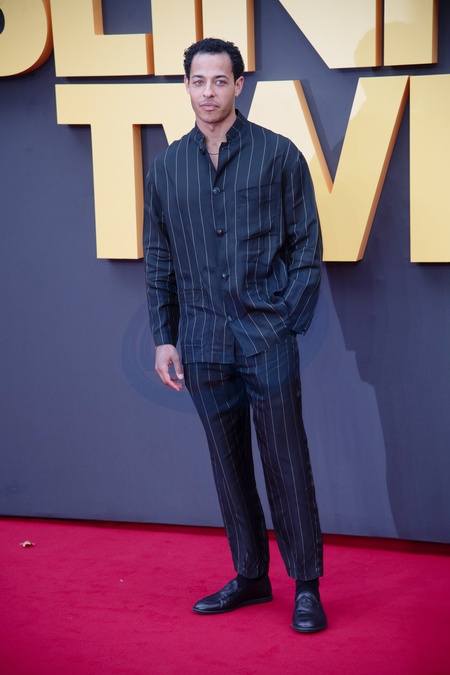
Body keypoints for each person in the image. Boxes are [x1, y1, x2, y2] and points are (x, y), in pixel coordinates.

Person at [143, 37, 327, 633]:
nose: (208, 93)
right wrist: (165, 337)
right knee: (228, 465)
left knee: (286, 461)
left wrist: (286, 318)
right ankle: (250, 576)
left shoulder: (278, 155)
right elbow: (159, 258)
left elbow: (307, 246)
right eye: (198, 81)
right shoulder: (167, 167)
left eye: (219, 81)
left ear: (239, 85)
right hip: (201, 343)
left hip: (265, 336)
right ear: (187, 85)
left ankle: (306, 586)